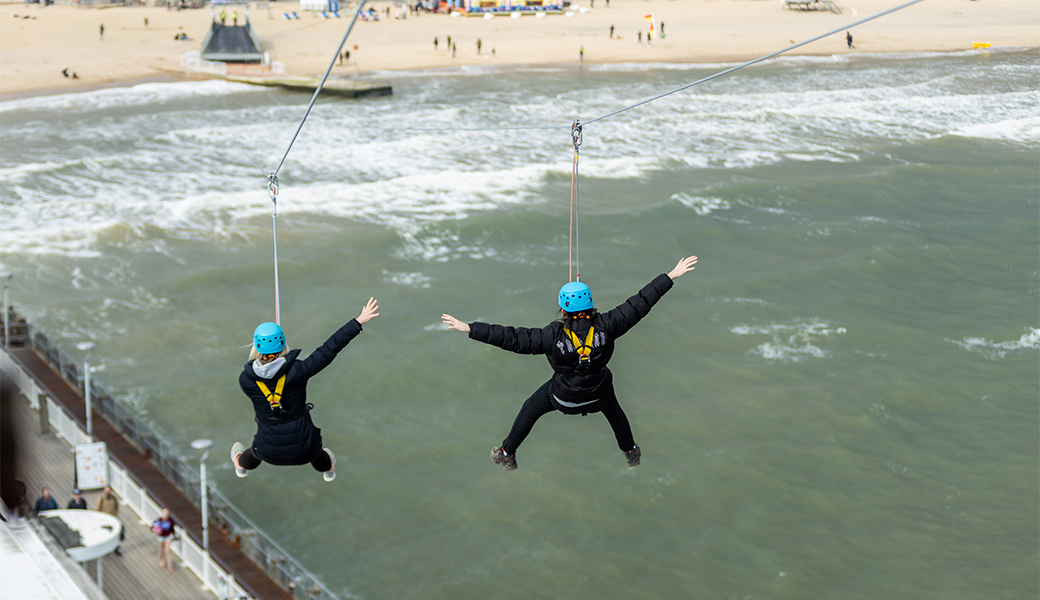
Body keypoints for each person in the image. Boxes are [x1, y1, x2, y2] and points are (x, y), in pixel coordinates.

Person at [441, 256, 699, 470]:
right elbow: (639, 303)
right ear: (590, 304)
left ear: (563, 310)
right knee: (615, 411)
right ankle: (631, 452)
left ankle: (507, 453)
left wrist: (470, 328)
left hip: (562, 398)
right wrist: (670, 275)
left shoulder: (550, 336)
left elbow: (511, 337)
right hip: (598, 395)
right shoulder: (607, 326)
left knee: (531, 407)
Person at [231, 298, 380, 483]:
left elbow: (267, 377)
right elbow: (328, 349)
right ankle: (328, 470)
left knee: (255, 451)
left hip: (268, 452)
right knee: (315, 452)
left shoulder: (246, 380)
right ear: (283, 345)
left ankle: (241, 466)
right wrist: (358, 322)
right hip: (306, 449)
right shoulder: (299, 371)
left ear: (255, 347)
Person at [96, 485, 123, 555]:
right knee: (105, 535)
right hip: (104, 520)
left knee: (114, 534)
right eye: (106, 490)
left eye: (109, 490)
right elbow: (98, 510)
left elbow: (116, 507)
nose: (107, 492)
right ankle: (106, 549)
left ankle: (115, 548)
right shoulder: (101, 499)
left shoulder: (113, 498)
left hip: (113, 519)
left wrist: (116, 517)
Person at [151, 508, 177, 573]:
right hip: (161, 537)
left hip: (168, 536)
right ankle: (161, 559)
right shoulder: (159, 520)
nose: (166, 515)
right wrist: (155, 530)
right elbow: (152, 527)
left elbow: (172, 528)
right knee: (161, 549)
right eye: (164, 513)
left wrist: (174, 536)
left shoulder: (170, 520)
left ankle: (170, 566)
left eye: (167, 514)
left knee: (168, 550)